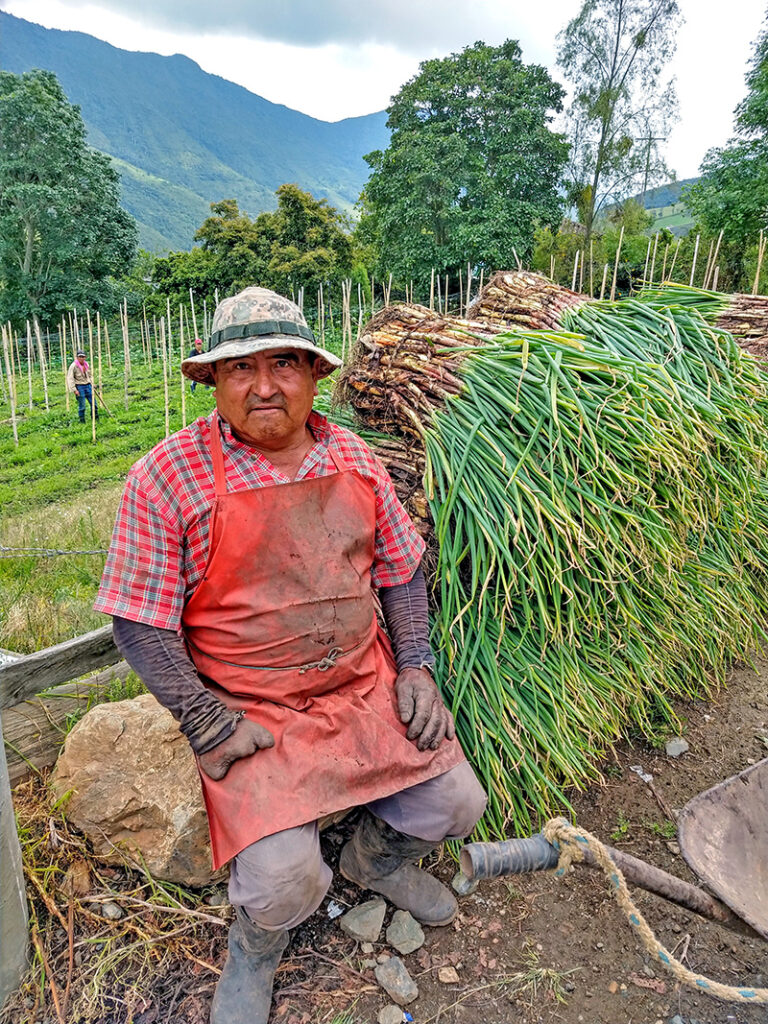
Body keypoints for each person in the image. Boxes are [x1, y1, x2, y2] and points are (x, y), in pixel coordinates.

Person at [94, 287, 487, 1024]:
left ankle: (370, 865)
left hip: (359, 685)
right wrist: (206, 721)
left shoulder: (352, 456)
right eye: (241, 368)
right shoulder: (167, 475)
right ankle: (256, 950)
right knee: (280, 882)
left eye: (284, 363)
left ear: (314, 374)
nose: (265, 385)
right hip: (252, 706)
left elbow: (401, 569)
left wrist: (415, 666)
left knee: (456, 802)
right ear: (212, 381)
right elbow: (138, 621)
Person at [66, 349, 98, 423]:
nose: (81, 358)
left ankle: (95, 419)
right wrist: (74, 390)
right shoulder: (73, 366)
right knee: (82, 406)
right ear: (77, 357)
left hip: (88, 386)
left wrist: (92, 383)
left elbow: (90, 376)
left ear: (85, 357)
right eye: (80, 357)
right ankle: (82, 421)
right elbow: (70, 378)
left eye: (83, 357)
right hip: (79, 387)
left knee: (94, 404)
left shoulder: (86, 365)